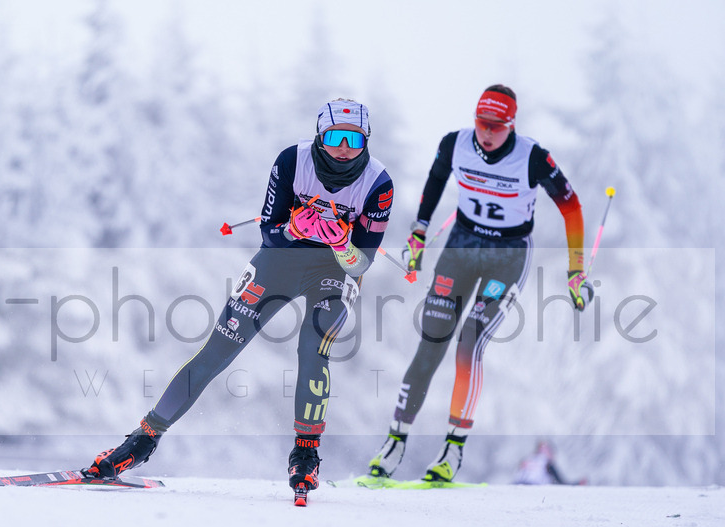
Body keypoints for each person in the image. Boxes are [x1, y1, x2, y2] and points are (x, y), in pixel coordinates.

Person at [81, 98, 395, 502]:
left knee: (313, 347)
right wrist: (294, 229)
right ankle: (141, 441)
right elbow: (269, 232)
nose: (344, 149)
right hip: (281, 259)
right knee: (218, 348)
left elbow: (361, 263)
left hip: (335, 269)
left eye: (355, 140)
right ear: (320, 136)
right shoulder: (292, 160)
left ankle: (306, 454)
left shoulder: (378, 183)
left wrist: (339, 244)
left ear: (367, 140)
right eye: (336, 138)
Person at [358, 85, 592, 486]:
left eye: (496, 126)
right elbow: (435, 181)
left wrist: (576, 271)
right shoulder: (455, 144)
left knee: (470, 340)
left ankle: (453, 449)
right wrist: (419, 231)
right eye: (482, 123)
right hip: (461, 248)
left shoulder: (533, 157)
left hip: (508, 255)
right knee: (431, 341)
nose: (487, 133)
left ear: (511, 125)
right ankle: (395, 440)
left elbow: (571, 207)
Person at [513, 439, 584, 485]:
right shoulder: (547, 464)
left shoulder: (528, 458)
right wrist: (577, 483)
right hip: (534, 486)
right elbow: (561, 482)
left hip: (517, 484)